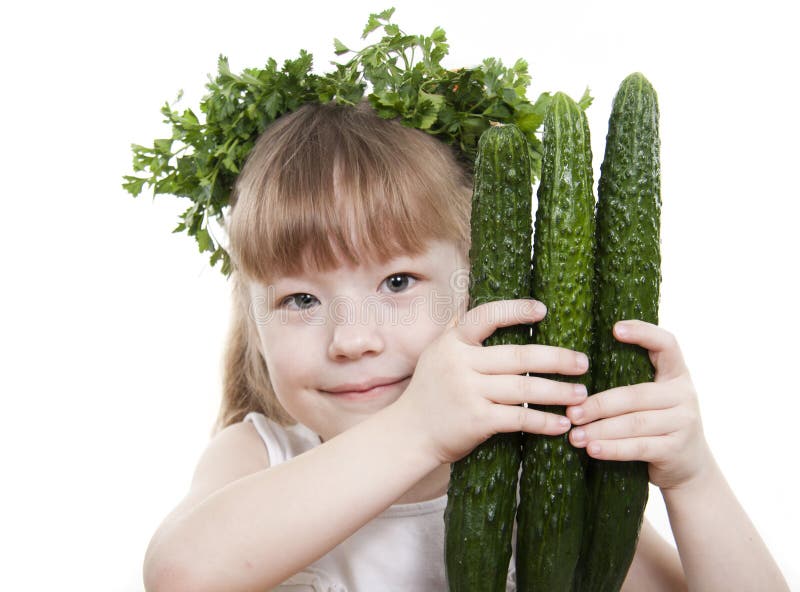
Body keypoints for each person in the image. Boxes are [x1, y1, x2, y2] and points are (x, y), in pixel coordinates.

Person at [142, 100, 788, 592]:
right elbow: (182, 573)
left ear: (480, 287)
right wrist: (420, 428)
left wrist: (694, 480)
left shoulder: (536, 474)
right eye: (300, 300)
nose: (352, 340)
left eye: (398, 282)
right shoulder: (262, 454)